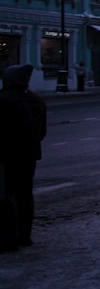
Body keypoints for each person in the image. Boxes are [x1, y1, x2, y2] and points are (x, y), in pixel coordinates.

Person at [0, 64, 47, 250]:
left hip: (5, 156)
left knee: (5, 195)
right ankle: (25, 236)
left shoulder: (3, 100)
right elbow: (42, 132)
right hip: (29, 155)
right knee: (25, 195)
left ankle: (8, 239)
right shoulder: (37, 101)